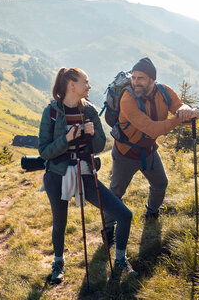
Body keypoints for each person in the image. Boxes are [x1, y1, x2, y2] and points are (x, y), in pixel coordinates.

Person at [38, 67, 137, 284]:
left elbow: (100, 145)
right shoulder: (52, 112)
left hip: (85, 174)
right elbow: (44, 151)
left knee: (124, 215)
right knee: (59, 222)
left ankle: (120, 258)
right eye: (86, 81)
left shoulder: (90, 111)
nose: (89, 86)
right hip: (56, 175)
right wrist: (67, 138)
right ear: (71, 84)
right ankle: (58, 263)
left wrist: (91, 135)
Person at [103, 57, 199, 243]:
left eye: (140, 78)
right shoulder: (127, 98)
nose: (135, 82)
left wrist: (188, 110)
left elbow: (179, 106)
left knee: (160, 184)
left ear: (152, 80)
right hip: (125, 153)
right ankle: (108, 228)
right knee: (115, 193)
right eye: (134, 77)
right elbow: (152, 129)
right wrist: (181, 118)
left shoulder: (164, 92)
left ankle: (152, 213)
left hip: (148, 150)